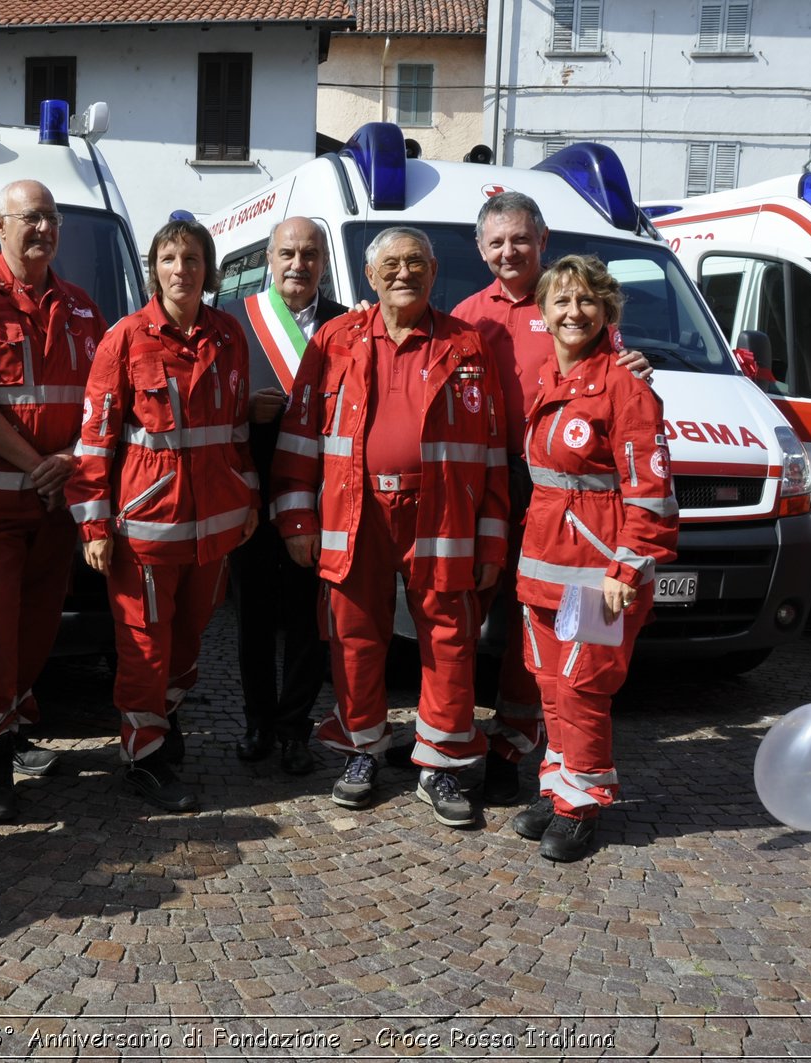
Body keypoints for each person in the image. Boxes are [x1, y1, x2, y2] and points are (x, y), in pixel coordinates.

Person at [271, 227, 509, 827]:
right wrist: (297, 515)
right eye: (392, 265)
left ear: (434, 273)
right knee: (354, 634)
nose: (404, 274)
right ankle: (362, 750)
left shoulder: (467, 345)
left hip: (443, 516)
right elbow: (299, 434)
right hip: (356, 513)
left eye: (416, 264)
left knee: (449, 637)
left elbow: (491, 447)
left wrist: (491, 533)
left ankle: (442, 763)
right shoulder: (335, 338)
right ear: (371, 277)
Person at [449, 192, 651, 802]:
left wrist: (634, 368)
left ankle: (514, 743)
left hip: (561, 493)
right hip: (486, 479)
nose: (509, 251)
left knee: (533, 624)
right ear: (482, 250)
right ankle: (453, 744)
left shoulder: (568, 305)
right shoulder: (466, 314)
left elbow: (615, 388)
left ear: (543, 240)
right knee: (462, 613)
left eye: (520, 239)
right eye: (497, 242)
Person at [67, 218, 258, 812]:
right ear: (155, 268)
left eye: (193, 259)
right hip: (145, 527)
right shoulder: (125, 338)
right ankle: (143, 755)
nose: (182, 269)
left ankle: (165, 722)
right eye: (171, 258)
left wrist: (247, 497)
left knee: (189, 640)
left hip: (213, 529)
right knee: (145, 647)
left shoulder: (228, 336)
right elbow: (95, 439)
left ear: (209, 270)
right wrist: (94, 526)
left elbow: (236, 433)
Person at [0, 179, 108, 821]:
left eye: (51, 219)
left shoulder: (83, 307)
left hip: (56, 503)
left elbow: (101, 404)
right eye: (30, 218)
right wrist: (40, 464)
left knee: (37, 629)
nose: (43, 229)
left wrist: (71, 461)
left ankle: (11, 719)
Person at [509, 254, 678, 861]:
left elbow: (652, 492)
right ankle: (559, 790)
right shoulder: (550, 382)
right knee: (551, 685)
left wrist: (629, 568)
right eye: (561, 301)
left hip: (597, 574)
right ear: (543, 313)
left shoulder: (627, 386)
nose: (573, 312)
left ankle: (583, 806)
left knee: (583, 687)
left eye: (587, 301)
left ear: (607, 310)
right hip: (543, 569)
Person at [219, 217, 343, 776]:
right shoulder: (235, 323)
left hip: (320, 498)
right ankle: (257, 723)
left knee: (306, 616)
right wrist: (243, 412)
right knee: (253, 615)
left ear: (323, 261)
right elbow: (209, 407)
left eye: (310, 254)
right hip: (250, 489)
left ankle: (295, 729)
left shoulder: (346, 325)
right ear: (269, 259)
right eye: (288, 253)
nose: (299, 264)